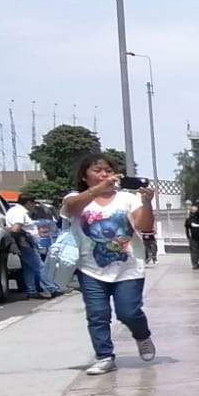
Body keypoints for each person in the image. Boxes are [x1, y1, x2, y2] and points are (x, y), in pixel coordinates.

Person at [61, 153, 156, 375]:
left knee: (128, 312)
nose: (104, 174)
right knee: (97, 314)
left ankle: (142, 335)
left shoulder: (127, 199)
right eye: (97, 170)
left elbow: (144, 226)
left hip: (128, 267)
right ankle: (104, 356)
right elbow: (71, 209)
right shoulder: (76, 198)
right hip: (90, 268)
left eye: (108, 170)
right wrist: (97, 190)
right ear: (84, 176)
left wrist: (146, 202)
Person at [4, 194, 61, 299]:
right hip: (25, 243)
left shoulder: (13, 210)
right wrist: (24, 239)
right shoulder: (19, 212)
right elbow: (15, 229)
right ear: (28, 202)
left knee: (29, 268)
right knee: (40, 266)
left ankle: (31, 290)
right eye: (33, 202)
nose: (34, 205)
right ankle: (52, 289)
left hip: (23, 243)